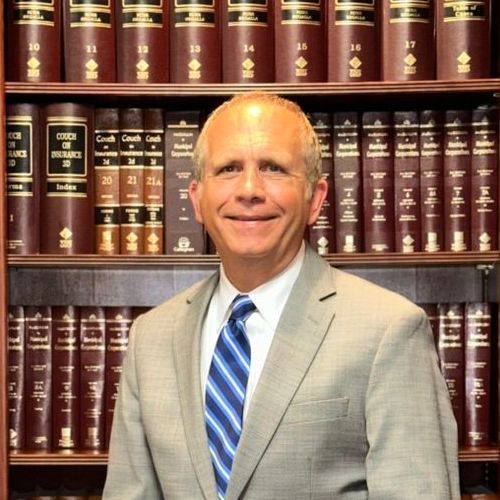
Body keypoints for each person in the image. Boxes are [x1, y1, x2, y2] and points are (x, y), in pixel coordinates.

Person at [103, 92, 460, 499]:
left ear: (316, 199)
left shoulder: (389, 331)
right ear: (197, 200)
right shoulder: (150, 337)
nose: (249, 189)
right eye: (228, 168)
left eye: (273, 168)